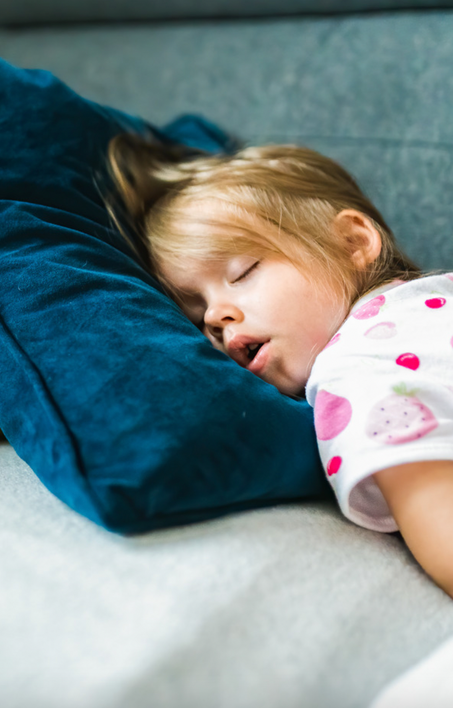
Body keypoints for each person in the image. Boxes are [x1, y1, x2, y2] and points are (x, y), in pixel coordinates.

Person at [107, 134, 453, 596]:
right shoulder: (355, 372)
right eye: (197, 318)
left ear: (353, 241)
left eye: (243, 272)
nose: (214, 316)